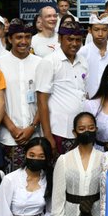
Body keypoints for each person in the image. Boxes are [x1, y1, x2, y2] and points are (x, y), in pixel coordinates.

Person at [0, 21, 43, 172]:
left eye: (27, 37)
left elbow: (44, 100)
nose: (24, 41)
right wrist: (12, 128)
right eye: (19, 37)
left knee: (35, 179)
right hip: (8, 136)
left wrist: (32, 127)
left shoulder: (40, 63)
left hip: (35, 135)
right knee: (10, 179)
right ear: (10, 39)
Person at [34, 20, 88, 156]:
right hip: (57, 131)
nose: (74, 43)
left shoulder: (83, 61)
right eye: (70, 39)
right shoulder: (49, 62)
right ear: (59, 38)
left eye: (78, 40)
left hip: (80, 131)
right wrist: (48, 136)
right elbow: (41, 101)